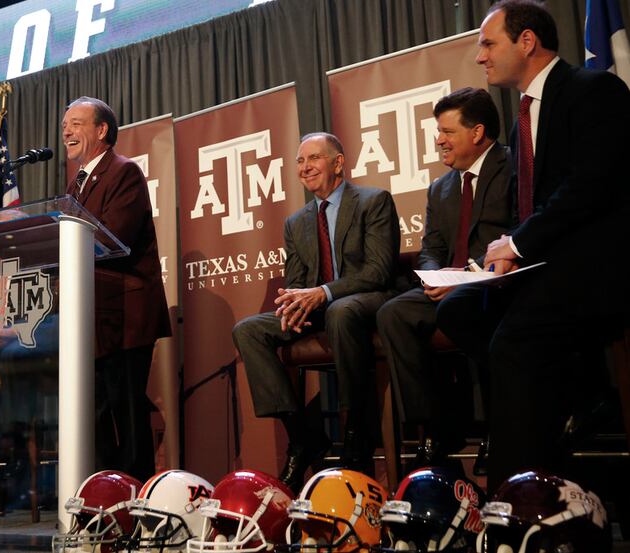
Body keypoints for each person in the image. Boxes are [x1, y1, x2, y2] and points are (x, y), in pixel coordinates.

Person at [436, 0, 630, 490]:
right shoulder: (523, 114)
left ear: (527, 42)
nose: (480, 57)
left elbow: (590, 187)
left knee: (513, 344)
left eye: (488, 43)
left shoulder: (593, 90)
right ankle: (565, 399)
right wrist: (507, 254)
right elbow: (532, 207)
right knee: (459, 311)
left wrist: (517, 244)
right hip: (544, 268)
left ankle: (516, 499)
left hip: (594, 266)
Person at [232, 132, 399, 491]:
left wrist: (322, 293)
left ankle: (356, 435)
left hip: (366, 300)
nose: (305, 167)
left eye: (314, 159)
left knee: (340, 310)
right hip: (320, 306)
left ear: (338, 163)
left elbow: (379, 271)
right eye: (300, 161)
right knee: (248, 329)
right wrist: (293, 304)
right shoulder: (296, 222)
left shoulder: (373, 201)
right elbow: (296, 280)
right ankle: (303, 436)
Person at [376, 87, 513, 468]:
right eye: (439, 132)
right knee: (393, 313)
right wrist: (435, 276)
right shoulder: (441, 187)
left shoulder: (513, 166)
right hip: (449, 287)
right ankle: (435, 428)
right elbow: (432, 248)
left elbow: (522, 228)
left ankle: (496, 427)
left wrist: (472, 274)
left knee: (468, 307)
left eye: (448, 132)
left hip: (497, 282)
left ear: (477, 132)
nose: (439, 140)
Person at [61, 96, 171, 481]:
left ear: (102, 130)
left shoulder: (124, 172)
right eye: (65, 126)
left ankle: (136, 494)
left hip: (125, 314)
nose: (67, 132)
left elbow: (113, 238)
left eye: (76, 123)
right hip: (92, 315)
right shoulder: (75, 183)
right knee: (96, 412)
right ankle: (105, 492)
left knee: (126, 409)